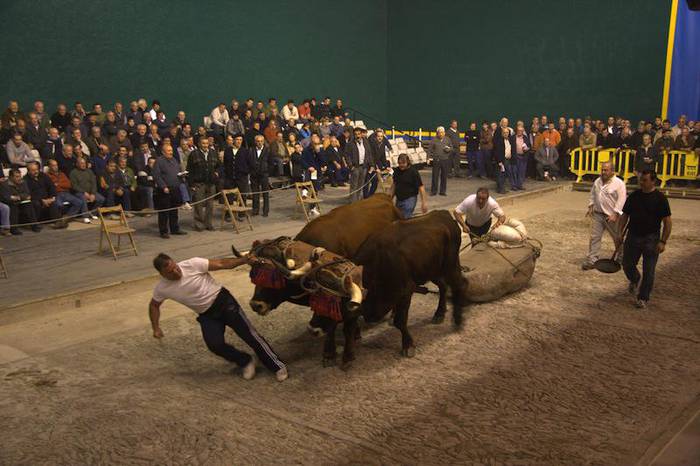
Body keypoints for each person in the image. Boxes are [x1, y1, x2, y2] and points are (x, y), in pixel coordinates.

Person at [149, 253, 288, 382]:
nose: (176, 272)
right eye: (170, 272)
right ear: (161, 274)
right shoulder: (162, 288)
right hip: (207, 314)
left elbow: (222, 263)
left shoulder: (192, 264)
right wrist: (156, 327)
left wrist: (244, 260)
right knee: (214, 344)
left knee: (249, 335)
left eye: (175, 267)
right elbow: (154, 305)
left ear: (175, 262)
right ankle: (245, 361)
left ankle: (277, 365)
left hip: (224, 302)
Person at [620, 170, 672, 309]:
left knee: (649, 270)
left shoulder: (660, 199)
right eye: (641, 180)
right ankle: (635, 279)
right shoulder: (634, 196)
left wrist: (663, 241)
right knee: (627, 264)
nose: (641, 182)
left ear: (653, 181)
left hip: (651, 238)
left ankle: (643, 297)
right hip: (633, 236)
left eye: (644, 180)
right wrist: (619, 232)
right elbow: (625, 215)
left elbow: (667, 221)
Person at [582, 161, 626, 270]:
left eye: (606, 170)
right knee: (594, 237)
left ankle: (621, 257)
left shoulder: (619, 183)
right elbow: (593, 193)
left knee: (617, 237)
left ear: (612, 171)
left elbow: (622, 199)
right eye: (602, 170)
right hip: (598, 214)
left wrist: (615, 213)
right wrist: (591, 205)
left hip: (612, 216)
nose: (603, 172)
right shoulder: (597, 181)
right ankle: (593, 259)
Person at [153, 144, 187, 238]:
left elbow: (177, 171)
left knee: (174, 210)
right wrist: (163, 187)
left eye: (171, 150)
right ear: (163, 152)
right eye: (168, 151)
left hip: (175, 188)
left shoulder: (174, 160)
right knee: (164, 211)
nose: (171, 152)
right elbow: (157, 175)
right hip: (165, 190)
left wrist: (181, 176)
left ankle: (174, 228)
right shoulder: (159, 161)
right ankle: (163, 231)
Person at [187, 138, 220, 231]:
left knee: (210, 205)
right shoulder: (194, 154)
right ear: (199, 144)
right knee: (198, 205)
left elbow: (219, 166)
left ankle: (208, 224)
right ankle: (199, 224)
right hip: (199, 183)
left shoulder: (213, 152)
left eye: (207, 143)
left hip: (211, 183)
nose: (205, 145)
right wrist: (191, 184)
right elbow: (189, 169)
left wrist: (217, 172)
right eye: (203, 143)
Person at [46, 159, 91, 223]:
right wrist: (60, 184)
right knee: (59, 205)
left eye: (56, 165)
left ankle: (67, 217)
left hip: (66, 193)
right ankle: (59, 220)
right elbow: (51, 187)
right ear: (49, 166)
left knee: (79, 202)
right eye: (53, 165)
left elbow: (68, 185)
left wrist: (58, 184)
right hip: (56, 194)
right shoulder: (47, 176)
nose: (56, 167)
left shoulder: (62, 174)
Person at [25, 162, 65, 228]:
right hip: (35, 199)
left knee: (54, 202)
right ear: (28, 171)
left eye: (37, 169)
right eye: (33, 170)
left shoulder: (43, 175)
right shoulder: (26, 180)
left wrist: (52, 197)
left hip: (47, 198)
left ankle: (57, 222)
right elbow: (29, 193)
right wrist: (42, 200)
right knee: (36, 204)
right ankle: (35, 224)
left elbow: (51, 186)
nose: (36, 171)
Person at [2, 168, 40, 234]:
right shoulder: (4, 184)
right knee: (13, 206)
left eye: (20, 176)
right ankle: (14, 229)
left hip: (20, 201)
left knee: (29, 204)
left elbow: (27, 194)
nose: (19, 178)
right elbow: (6, 197)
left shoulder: (23, 182)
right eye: (17, 177)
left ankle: (34, 226)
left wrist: (17, 197)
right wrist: (19, 197)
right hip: (10, 203)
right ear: (11, 177)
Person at [391, 153, 427, 219]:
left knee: (404, 220)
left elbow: (421, 188)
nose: (401, 165)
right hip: (399, 199)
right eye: (399, 163)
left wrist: (424, 203)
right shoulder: (396, 171)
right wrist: (390, 198)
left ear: (408, 162)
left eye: (403, 163)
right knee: (397, 218)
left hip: (409, 200)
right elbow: (394, 185)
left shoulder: (413, 172)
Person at [345, 127, 374, 203]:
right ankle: (352, 203)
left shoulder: (366, 142)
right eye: (355, 134)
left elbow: (369, 154)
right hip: (355, 167)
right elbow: (347, 156)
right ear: (353, 135)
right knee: (354, 186)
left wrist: (371, 165)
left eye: (359, 134)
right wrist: (351, 166)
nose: (357, 136)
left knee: (360, 185)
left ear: (361, 134)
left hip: (364, 167)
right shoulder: (350, 144)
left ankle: (358, 202)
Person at [249, 134, 272, 217]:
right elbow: (249, 161)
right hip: (254, 175)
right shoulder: (251, 150)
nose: (260, 143)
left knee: (265, 193)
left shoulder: (268, 150)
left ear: (264, 141)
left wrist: (266, 170)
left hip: (264, 175)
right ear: (255, 142)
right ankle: (255, 210)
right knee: (255, 193)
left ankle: (265, 211)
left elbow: (271, 162)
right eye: (258, 141)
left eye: (261, 141)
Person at [427, 126, 453, 196]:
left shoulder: (448, 139)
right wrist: (428, 158)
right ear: (437, 133)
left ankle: (442, 191)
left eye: (442, 132)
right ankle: (433, 191)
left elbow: (451, 148)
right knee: (435, 176)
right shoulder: (434, 140)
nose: (441, 134)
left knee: (444, 176)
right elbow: (429, 150)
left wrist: (449, 149)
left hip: (445, 160)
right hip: (437, 160)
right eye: (439, 132)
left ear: (444, 133)